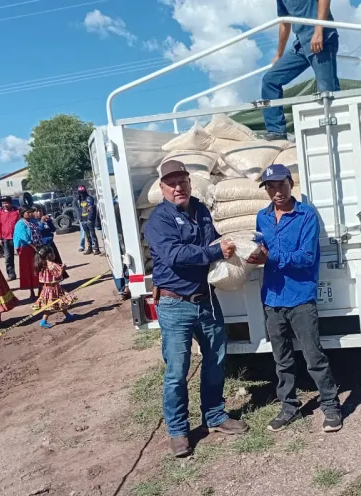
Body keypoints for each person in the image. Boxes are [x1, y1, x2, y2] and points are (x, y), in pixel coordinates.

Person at [144, 159, 247, 457]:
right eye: (172, 183)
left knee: (216, 360)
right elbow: (175, 255)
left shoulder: (200, 210)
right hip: (175, 304)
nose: (178, 187)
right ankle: (178, 431)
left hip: (206, 300)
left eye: (182, 181)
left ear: (190, 183)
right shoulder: (158, 221)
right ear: (162, 188)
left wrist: (240, 250)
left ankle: (214, 415)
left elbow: (214, 239)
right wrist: (215, 251)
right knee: (177, 370)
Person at [248, 164, 342, 433]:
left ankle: (331, 406)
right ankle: (289, 407)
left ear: (291, 183)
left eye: (281, 185)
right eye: (270, 187)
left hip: (300, 297)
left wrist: (271, 257)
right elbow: (262, 249)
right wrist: (253, 255)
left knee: (314, 356)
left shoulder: (306, 215)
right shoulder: (263, 217)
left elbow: (307, 257)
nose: (277, 192)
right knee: (282, 359)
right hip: (272, 298)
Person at [261, 0, 338, 141]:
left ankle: (337, 131)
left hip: (322, 39)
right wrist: (279, 54)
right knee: (270, 80)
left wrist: (319, 31)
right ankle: (276, 131)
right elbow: (284, 22)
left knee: (326, 89)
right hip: (301, 45)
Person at [32, 245, 76, 328]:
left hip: (46, 288)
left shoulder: (41, 265)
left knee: (60, 302)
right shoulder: (53, 265)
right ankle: (43, 321)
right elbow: (58, 277)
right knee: (50, 306)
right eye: (53, 253)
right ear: (49, 255)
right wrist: (62, 269)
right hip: (54, 289)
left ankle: (67, 315)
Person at [34, 205, 68, 280]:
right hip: (42, 246)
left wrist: (49, 221)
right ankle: (48, 279)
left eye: (40, 211)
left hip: (50, 243)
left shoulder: (46, 220)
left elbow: (53, 229)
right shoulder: (34, 222)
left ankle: (58, 277)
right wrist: (42, 222)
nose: (39, 213)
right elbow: (38, 231)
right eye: (37, 211)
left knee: (55, 260)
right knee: (47, 264)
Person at [13, 208, 41, 299]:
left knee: (38, 268)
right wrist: (34, 247)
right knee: (29, 270)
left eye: (30, 212)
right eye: (27, 212)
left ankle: (40, 289)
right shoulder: (20, 224)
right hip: (25, 249)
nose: (30, 214)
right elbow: (24, 237)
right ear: (22, 214)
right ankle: (31, 291)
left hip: (36, 247)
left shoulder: (32, 222)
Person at [0, 196, 19, 281]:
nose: (5, 205)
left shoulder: (17, 212)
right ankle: (11, 274)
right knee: (8, 258)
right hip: (6, 238)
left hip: (17, 238)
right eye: (3, 203)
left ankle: (26, 273)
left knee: (22, 256)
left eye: (6, 203)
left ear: (11, 203)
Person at [76, 185, 100, 255]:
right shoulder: (79, 200)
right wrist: (80, 219)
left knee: (92, 234)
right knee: (87, 235)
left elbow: (91, 208)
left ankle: (96, 249)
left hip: (89, 220)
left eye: (82, 192)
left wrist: (90, 218)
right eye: (80, 192)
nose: (81, 194)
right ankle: (90, 248)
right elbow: (79, 210)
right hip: (83, 220)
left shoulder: (89, 198)